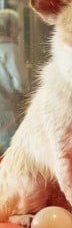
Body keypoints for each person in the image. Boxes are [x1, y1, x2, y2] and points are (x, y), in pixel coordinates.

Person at [0, 9, 28, 152]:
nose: (20, 29)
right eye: (17, 25)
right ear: (7, 27)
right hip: (8, 108)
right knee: (12, 147)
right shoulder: (10, 49)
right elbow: (21, 82)